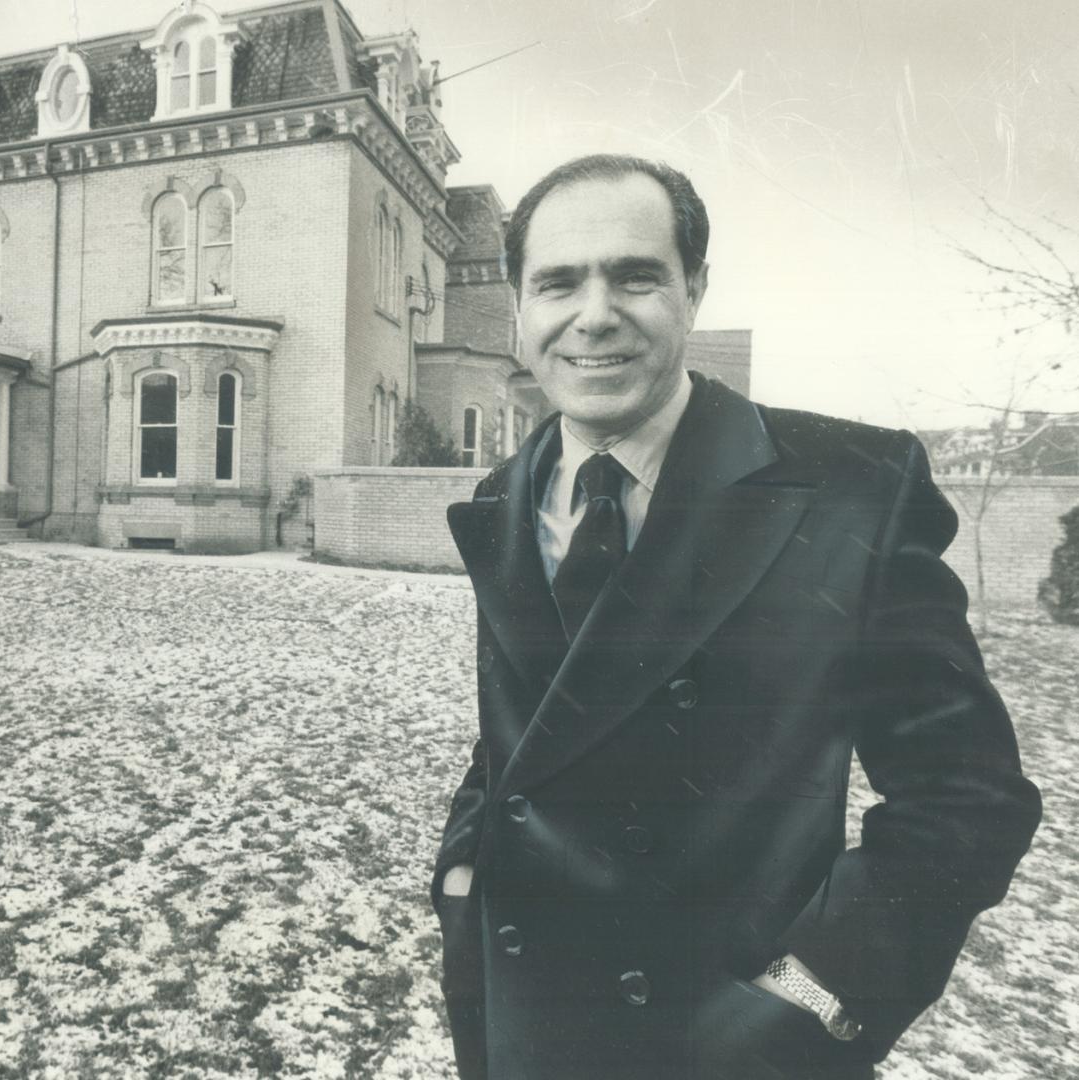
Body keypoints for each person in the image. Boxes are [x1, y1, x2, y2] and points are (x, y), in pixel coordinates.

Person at [430, 154, 1042, 1080]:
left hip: (730, 1039)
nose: (594, 315)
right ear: (519, 309)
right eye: (558, 283)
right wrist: (461, 876)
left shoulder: (845, 488)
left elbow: (966, 795)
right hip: (523, 1022)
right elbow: (521, 740)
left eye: (635, 275)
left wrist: (816, 995)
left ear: (694, 290)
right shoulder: (503, 493)